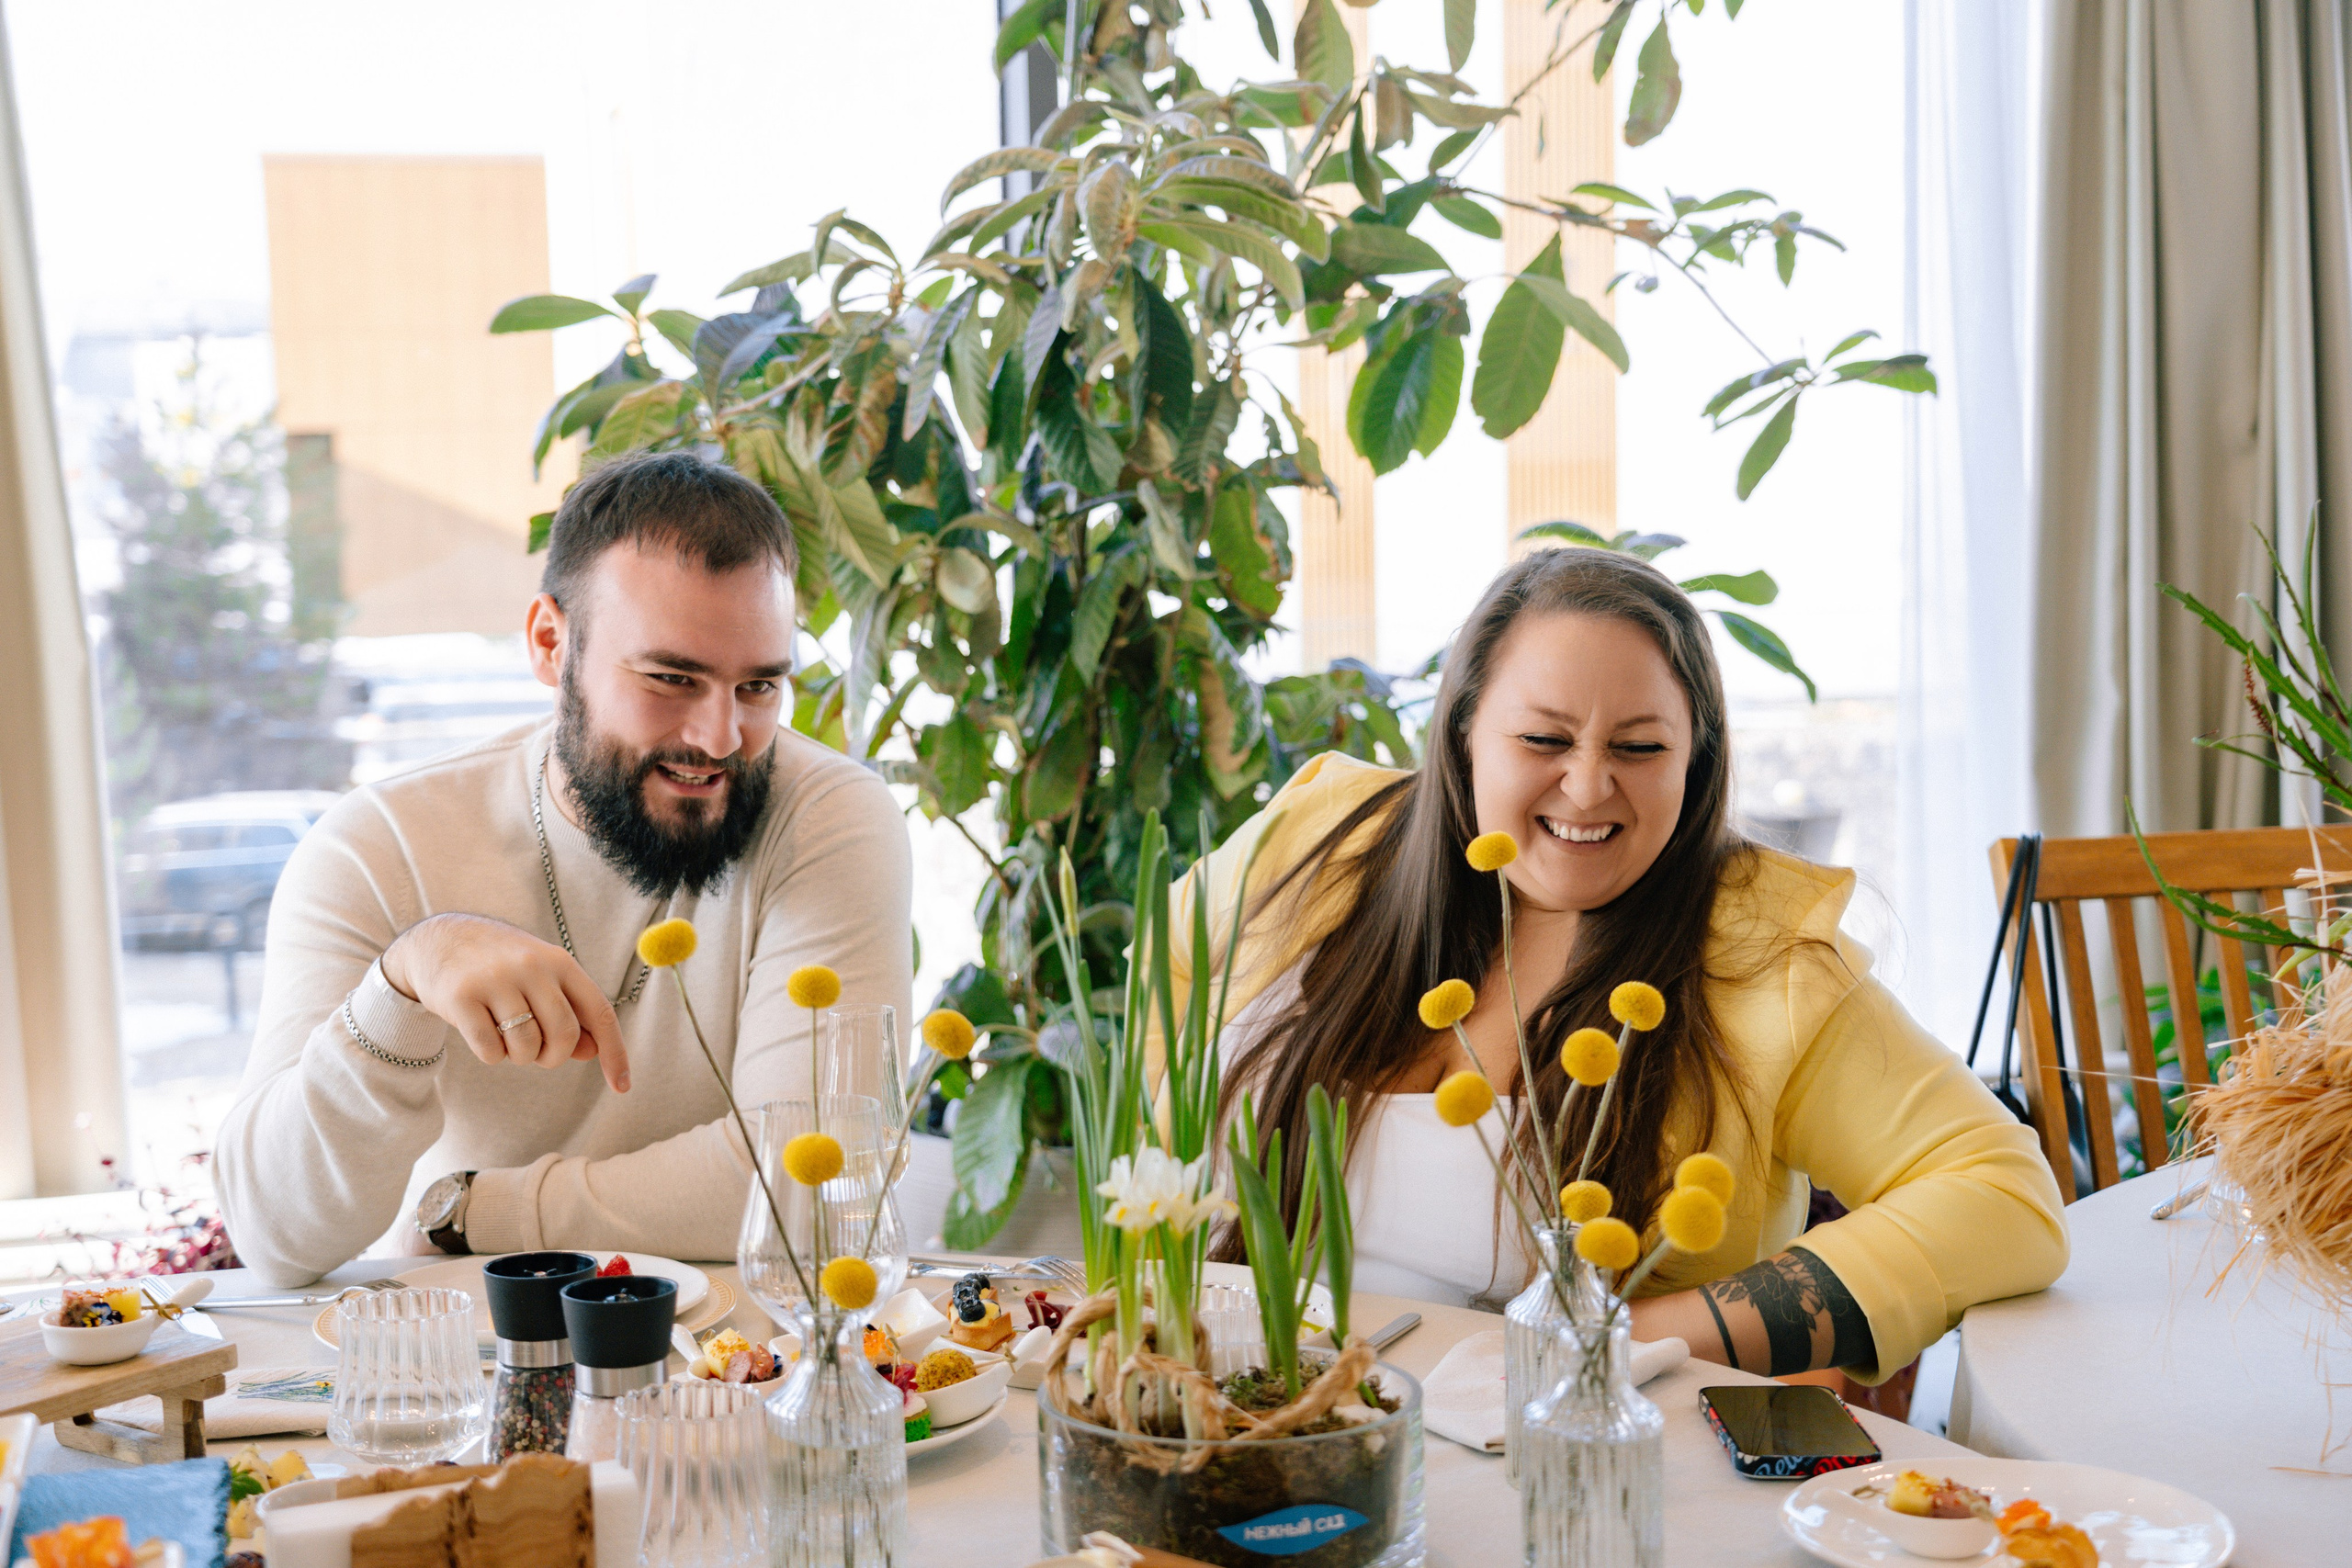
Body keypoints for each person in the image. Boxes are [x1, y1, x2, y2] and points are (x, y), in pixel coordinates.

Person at [1173, 547, 2066, 1386]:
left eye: (1639, 748)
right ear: (1462, 736)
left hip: (1558, 1470)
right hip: (1251, 1424)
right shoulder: (1317, 840)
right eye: (1543, 740)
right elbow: (1164, 986)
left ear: (1694, 762)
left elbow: (2005, 1194)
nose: (1589, 786)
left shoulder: (1761, 961)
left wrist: (1632, 1340)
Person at [216, 452, 912, 1286]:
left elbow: (814, 1180)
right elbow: (271, 1234)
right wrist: (402, 987)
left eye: (758, 686)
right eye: (671, 678)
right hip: (465, 1375)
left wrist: (475, 1211)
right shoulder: (375, 848)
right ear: (551, 643)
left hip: (731, 1381)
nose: (721, 736)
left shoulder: (827, 817)